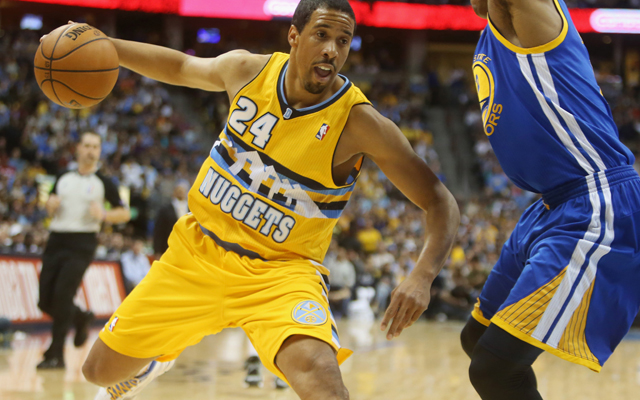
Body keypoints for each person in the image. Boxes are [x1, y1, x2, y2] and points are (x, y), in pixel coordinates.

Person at [71, 1, 459, 399]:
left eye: (343, 41)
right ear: (294, 36)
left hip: (280, 275)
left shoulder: (361, 124)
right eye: (322, 35)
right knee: (98, 371)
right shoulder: (247, 70)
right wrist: (106, 45)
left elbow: (440, 202)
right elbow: (180, 68)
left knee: (321, 377)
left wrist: (423, 275)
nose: (332, 50)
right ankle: (156, 359)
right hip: (197, 253)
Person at [460, 1, 640, 399]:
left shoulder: (527, 16)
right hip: (548, 204)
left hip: (594, 198)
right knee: (476, 338)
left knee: (495, 367)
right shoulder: (492, 33)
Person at [36, 132, 130, 369]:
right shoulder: (63, 177)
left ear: (99, 152)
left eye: (95, 147)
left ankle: (55, 355)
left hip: (83, 243)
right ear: (78, 148)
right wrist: (49, 206)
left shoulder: (104, 182)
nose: (90, 150)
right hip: (56, 239)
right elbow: (49, 207)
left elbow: (125, 213)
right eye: (87, 145)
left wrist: (106, 215)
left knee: (62, 296)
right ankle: (81, 317)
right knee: (44, 300)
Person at [152, 181, 188, 259]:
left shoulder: (191, 209)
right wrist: (157, 251)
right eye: (178, 191)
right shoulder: (165, 210)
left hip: (186, 249)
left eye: (182, 191)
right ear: (174, 192)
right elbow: (158, 231)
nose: (180, 193)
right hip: (168, 247)